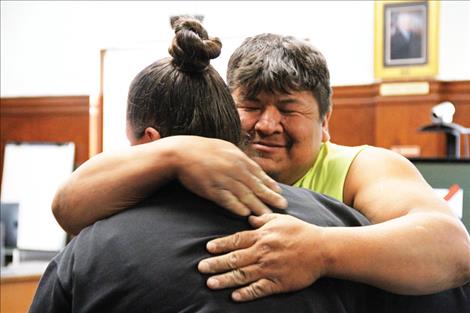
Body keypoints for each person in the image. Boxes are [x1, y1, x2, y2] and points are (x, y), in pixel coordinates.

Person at [51, 32, 470, 302]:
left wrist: (321, 251)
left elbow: (453, 248)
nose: (268, 125)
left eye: (289, 109)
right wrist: (173, 154)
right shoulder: (190, 161)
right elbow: (69, 206)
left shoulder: (361, 169)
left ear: (325, 122)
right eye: (250, 107)